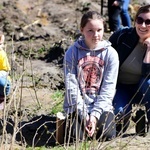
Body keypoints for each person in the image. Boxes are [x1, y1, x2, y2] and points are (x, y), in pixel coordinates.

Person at [63, 10, 119, 143]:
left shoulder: (111, 54)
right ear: (82, 30)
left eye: (99, 30)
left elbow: (108, 89)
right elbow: (71, 87)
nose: (96, 35)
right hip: (77, 107)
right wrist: (84, 114)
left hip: (101, 106)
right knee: (75, 138)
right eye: (90, 30)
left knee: (107, 135)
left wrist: (94, 116)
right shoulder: (72, 52)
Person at [109, 4, 150, 135]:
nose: (143, 26)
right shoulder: (123, 35)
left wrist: (149, 50)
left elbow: (147, 73)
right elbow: (105, 55)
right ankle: (127, 117)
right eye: (140, 20)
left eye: (148, 22)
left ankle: (146, 118)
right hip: (121, 86)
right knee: (119, 113)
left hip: (143, 88)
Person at [0, 31, 11, 110]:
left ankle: (1, 98)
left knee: (1, 82)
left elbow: (5, 71)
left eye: (1, 44)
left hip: (2, 78)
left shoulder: (1, 54)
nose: (2, 46)